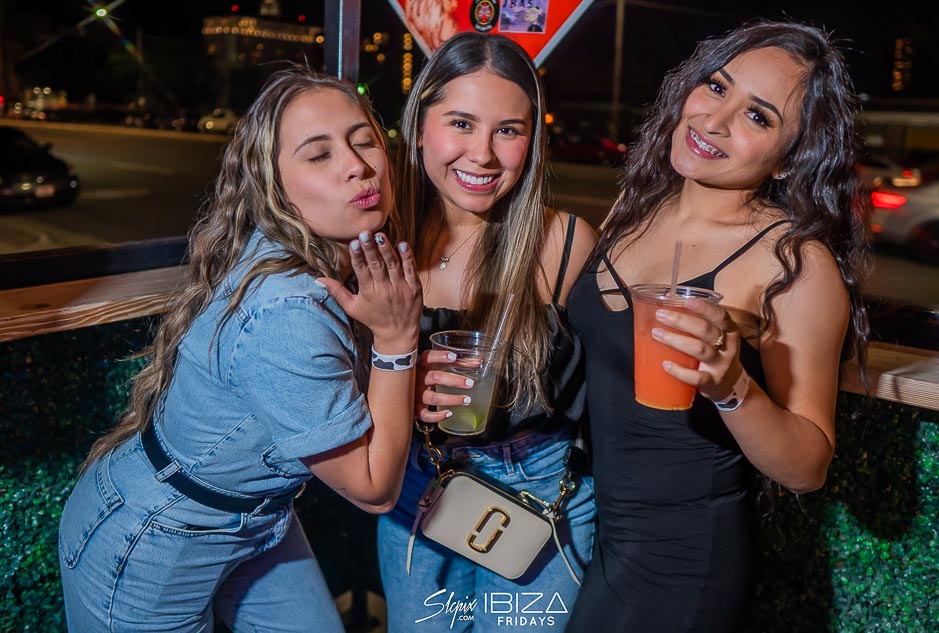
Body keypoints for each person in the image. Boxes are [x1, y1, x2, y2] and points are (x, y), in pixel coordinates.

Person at [58, 67, 422, 633]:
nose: (357, 165)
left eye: (364, 140)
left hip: (257, 519)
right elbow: (374, 489)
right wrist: (398, 343)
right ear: (274, 187)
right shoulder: (288, 312)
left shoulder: (324, 254)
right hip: (150, 543)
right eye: (319, 154)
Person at [564, 20, 871, 632]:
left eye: (757, 116)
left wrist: (732, 387)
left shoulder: (793, 263)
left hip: (683, 562)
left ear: (790, 161)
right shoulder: (634, 212)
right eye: (715, 86)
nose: (714, 119)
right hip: (598, 534)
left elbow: (808, 467)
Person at [375, 32, 599, 632]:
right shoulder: (381, 240)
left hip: (542, 488)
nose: (483, 154)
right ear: (419, 126)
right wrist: (395, 381)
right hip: (418, 483)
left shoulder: (564, 243)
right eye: (461, 124)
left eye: (508, 130)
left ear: (533, 141)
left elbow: (609, 393)